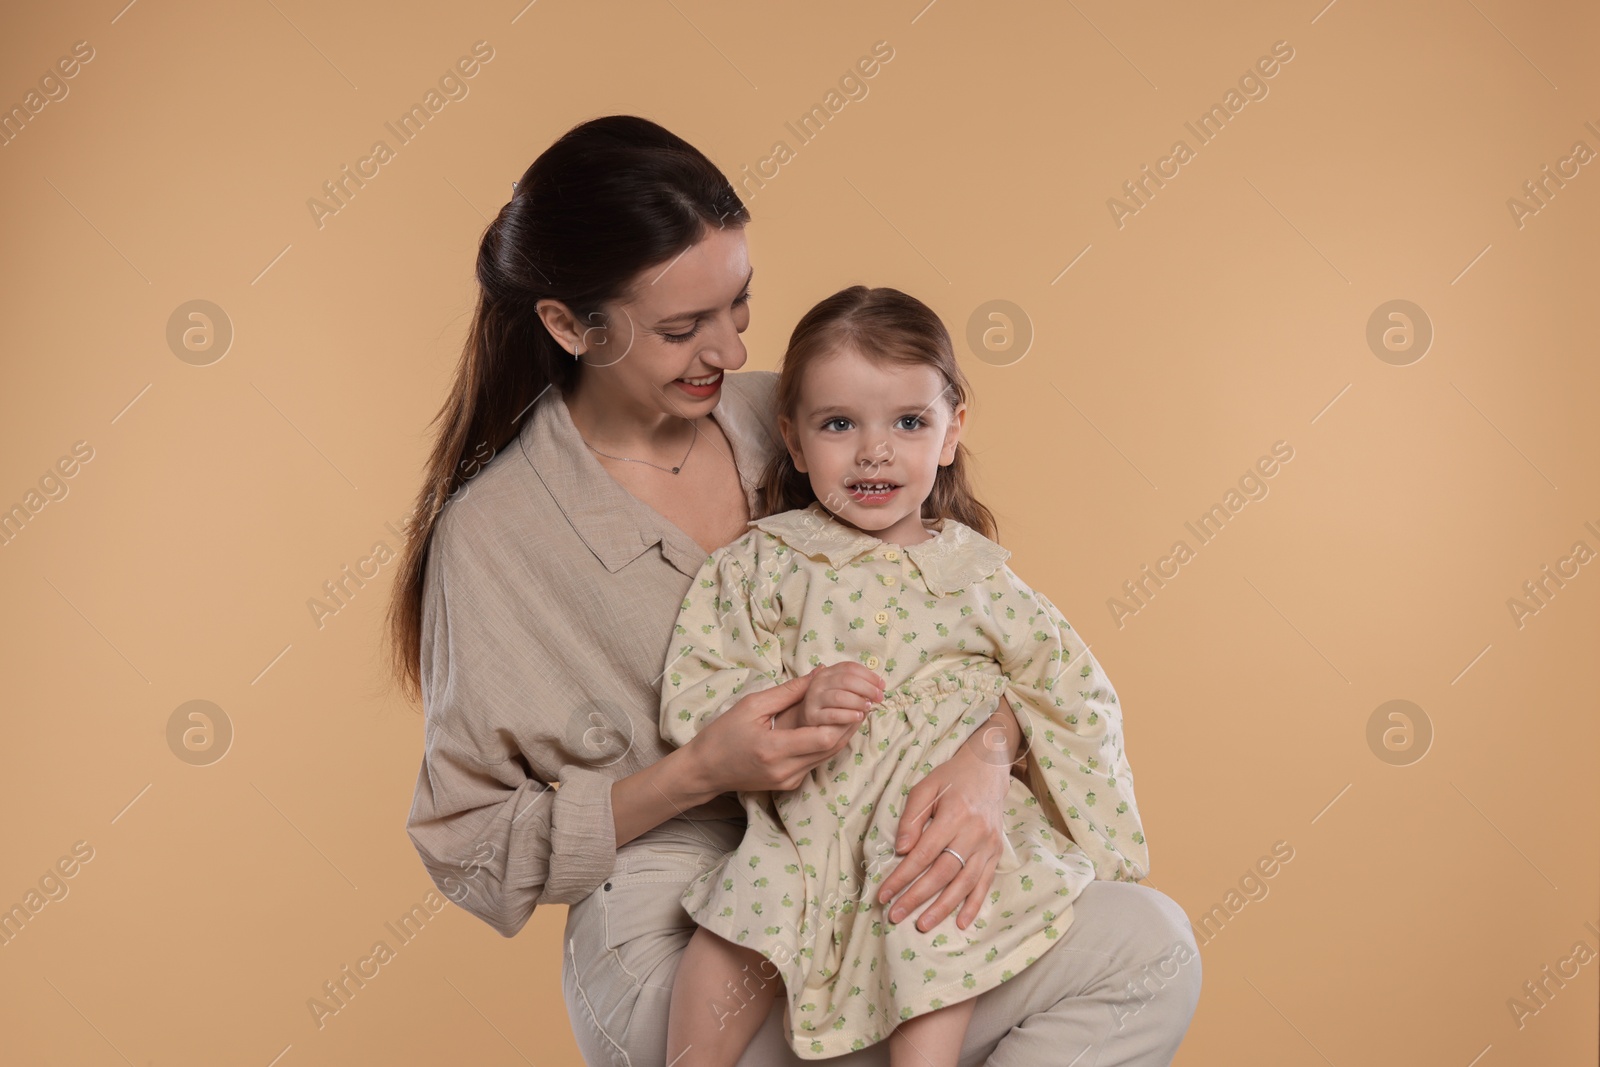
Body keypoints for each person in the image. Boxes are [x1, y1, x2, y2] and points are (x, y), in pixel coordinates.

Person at [392, 114, 1201, 1066]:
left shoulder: (813, 410)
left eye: (738, 306)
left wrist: (986, 759)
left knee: (1150, 949)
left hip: (879, 858)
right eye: (683, 329)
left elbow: (973, 623)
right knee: (862, 1028)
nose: (730, 352)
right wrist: (699, 770)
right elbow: (470, 843)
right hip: (685, 913)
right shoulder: (496, 536)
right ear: (569, 326)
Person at [659, 286, 1151, 1066]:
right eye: (839, 424)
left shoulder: (983, 577)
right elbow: (701, 684)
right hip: (807, 820)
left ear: (952, 433)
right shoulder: (765, 562)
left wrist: (1108, 842)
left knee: (934, 931)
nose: (874, 451)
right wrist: (794, 708)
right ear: (792, 438)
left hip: (929, 830)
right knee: (733, 925)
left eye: (909, 423)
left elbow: (1070, 688)